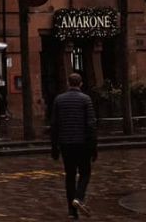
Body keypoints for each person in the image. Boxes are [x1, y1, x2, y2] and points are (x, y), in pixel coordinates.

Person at [50, 72, 98, 220]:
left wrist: (54, 147)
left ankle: (72, 211)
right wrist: (93, 147)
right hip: (82, 144)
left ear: (68, 83)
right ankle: (78, 197)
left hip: (65, 144)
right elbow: (91, 125)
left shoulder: (59, 100)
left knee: (70, 176)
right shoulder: (86, 100)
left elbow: (54, 125)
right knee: (85, 173)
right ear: (81, 84)